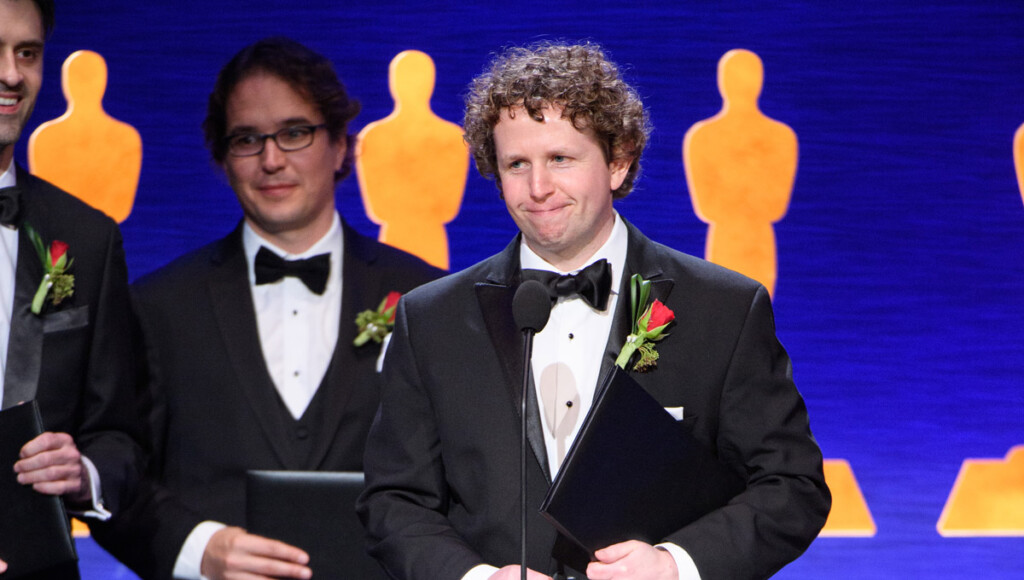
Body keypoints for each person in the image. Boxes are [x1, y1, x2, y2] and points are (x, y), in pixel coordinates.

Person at [357, 42, 830, 580]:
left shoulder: (722, 308)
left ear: (619, 160)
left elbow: (791, 487)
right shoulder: (432, 318)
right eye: (517, 164)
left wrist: (676, 566)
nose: (538, 189)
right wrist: (477, 578)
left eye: (560, 159)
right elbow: (393, 502)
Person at [90, 37, 442, 580]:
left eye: (294, 133)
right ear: (223, 159)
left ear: (341, 145)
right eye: (247, 139)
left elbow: (464, 480)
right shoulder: (157, 306)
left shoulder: (427, 298)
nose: (272, 159)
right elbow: (117, 481)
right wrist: (197, 549)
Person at [0, 0, 144, 577]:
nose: (11, 74)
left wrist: (82, 472)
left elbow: (120, 434)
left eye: (27, 53)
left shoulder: (86, 239)